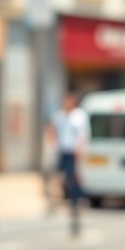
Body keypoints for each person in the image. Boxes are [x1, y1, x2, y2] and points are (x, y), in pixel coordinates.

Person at [46, 92, 89, 224]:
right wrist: (51, 144)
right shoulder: (59, 115)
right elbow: (52, 130)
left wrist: (81, 150)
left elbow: (83, 135)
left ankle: (76, 201)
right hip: (62, 150)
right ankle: (57, 200)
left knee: (73, 177)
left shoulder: (79, 116)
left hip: (74, 151)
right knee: (58, 177)